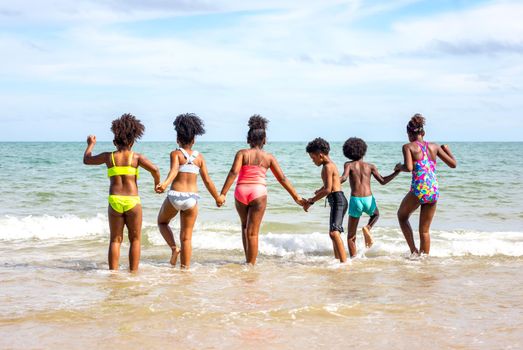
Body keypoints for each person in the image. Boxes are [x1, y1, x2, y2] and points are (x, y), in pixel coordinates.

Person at [219, 115, 305, 265]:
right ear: (264, 140)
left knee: (244, 227)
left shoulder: (242, 153)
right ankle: (250, 266)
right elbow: (282, 179)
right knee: (253, 233)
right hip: (258, 193)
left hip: (241, 192)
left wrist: (223, 193)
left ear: (248, 140)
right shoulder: (269, 157)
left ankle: (247, 261)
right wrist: (296, 197)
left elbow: (233, 172)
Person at [83, 113, 160, 271]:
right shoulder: (136, 158)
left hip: (115, 201)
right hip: (132, 202)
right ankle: (133, 273)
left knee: (115, 240)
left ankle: (113, 274)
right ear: (132, 141)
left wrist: (90, 144)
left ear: (114, 141)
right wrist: (157, 184)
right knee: (135, 239)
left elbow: (87, 160)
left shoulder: (108, 157)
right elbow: (156, 170)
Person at [155, 113, 225, 269]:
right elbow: (207, 180)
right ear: (194, 140)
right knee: (186, 238)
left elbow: (173, 171)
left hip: (175, 196)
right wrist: (217, 197)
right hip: (191, 199)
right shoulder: (199, 157)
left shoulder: (176, 154)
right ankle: (185, 269)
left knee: (162, 222)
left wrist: (165, 184)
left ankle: (174, 248)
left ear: (177, 139)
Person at [395, 113, 457, 255]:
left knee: (402, 216)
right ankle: (424, 262)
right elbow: (453, 164)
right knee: (424, 231)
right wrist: (447, 150)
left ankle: (414, 252)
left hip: (419, 189)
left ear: (409, 133)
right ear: (423, 132)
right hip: (433, 190)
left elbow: (409, 168)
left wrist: (399, 167)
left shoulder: (408, 147)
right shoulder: (434, 147)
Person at [340, 137, 400, 257]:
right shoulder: (370, 166)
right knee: (376, 214)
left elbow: (344, 178)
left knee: (351, 237)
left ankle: (354, 259)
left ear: (348, 152)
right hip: (368, 199)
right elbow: (383, 181)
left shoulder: (349, 165)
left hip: (355, 200)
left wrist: (331, 183)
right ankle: (368, 227)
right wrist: (396, 172)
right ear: (363, 150)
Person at [303, 138, 348, 263]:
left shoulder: (328, 167)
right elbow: (331, 184)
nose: (313, 161)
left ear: (320, 155)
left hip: (338, 199)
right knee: (333, 233)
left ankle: (344, 263)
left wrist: (311, 201)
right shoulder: (330, 165)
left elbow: (328, 190)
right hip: (338, 200)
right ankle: (338, 260)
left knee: (334, 233)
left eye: (313, 158)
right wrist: (320, 190)